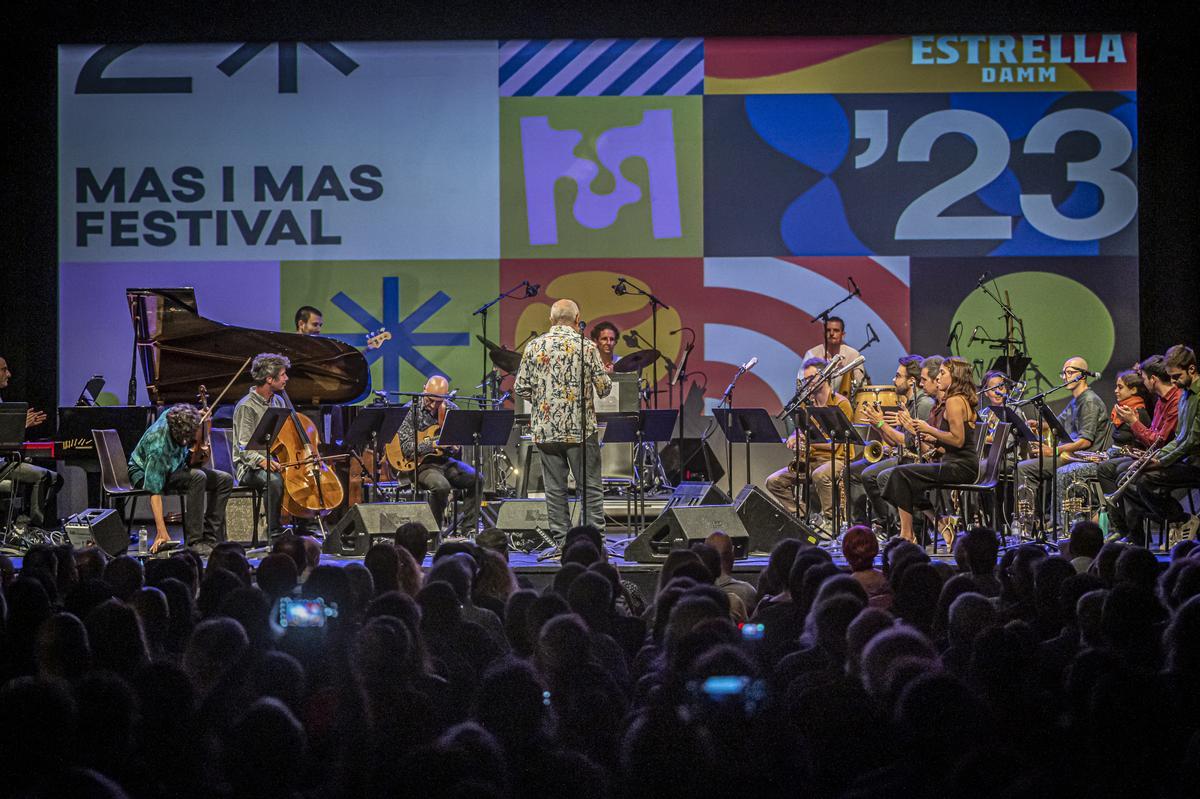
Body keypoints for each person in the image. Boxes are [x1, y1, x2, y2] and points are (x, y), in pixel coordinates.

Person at [513, 299, 612, 538]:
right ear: (577, 320)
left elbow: (520, 387)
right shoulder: (586, 346)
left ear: (551, 320)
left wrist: (544, 396)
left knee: (555, 490)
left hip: (546, 430)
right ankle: (592, 541)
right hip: (580, 430)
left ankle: (561, 542)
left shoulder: (534, 347)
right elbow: (604, 388)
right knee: (589, 487)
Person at [879, 356, 979, 546]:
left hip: (960, 467)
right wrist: (928, 437)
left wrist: (928, 428)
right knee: (902, 478)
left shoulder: (954, 401)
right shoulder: (959, 399)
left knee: (900, 475)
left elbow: (958, 441)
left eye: (943, 373)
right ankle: (939, 523)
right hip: (957, 463)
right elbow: (952, 440)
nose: (938, 377)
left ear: (955, 376)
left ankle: (908, 534)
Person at [1014, 356, 1112, 525]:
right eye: (1064, 373)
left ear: (1082, 375)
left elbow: (1085, 441)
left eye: (1070, 372)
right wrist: (1040, 425)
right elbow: (1058, 425)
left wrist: (1053, 451)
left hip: (1082, 456)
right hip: (1069, 455)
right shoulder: (1077, 400)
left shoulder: (1089, 401)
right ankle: (1041, 521)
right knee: (1028, 463)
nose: (1065, 377)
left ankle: (1029, 525)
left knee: (1024, 468)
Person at [1121, 345, 1200, 544]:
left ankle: (1180, 520)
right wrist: (1152, 458)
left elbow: (1192, 441)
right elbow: (1180, 438)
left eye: (1176, 376)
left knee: (1145, 481)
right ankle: (1177, 523)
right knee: (1131, 480)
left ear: (1191, 369)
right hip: (1187, 459)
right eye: (1170, 377)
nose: (1173, 382)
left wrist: (1160, 461)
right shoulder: (1185, 394)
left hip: (1197, 463)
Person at [127, 403, 233, 552]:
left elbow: (190, 415)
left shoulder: (175, 414)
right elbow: (154, 490)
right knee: (198, 477)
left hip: (174, 465)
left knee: (225, 479)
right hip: (144, 473)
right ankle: (194, 542)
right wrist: (161, 531)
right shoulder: (158, 446)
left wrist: (199, 415)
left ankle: (210, 537)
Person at [1055, 368, 1151, 527]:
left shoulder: (1138, 413)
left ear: (1133, 390)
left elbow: (1140, 445)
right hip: (1111, 457)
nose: (1116, 391)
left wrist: (1107, 456)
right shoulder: (1121, 411)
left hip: (1122, 461)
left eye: (1120, 387)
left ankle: (1073, 524)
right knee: (1064, 469)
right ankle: (1068, 523)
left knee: (1065, 472)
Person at [765, 357, 854, 525]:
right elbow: (802, 429)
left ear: (823, 376)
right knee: (773, 481)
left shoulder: (841, 404)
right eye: (805, 379)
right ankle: (805, 518)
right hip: (812, 460)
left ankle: (830, 521)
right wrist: (794, 436)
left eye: (810, 378)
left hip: (838, 460)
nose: (807, 383)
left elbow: (837, 444)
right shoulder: (807, 405)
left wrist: (807, 442)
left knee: (820, 475)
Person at [1099, 355, 1180, 539]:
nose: (1143, 382)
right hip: (1158, 454)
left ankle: (1174, 518)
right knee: (1112, 470)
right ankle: (1127, 530)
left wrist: (1133, 422)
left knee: (1125, 476)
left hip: (1171, 458)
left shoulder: (1174, 401)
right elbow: (1152, 436)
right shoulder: (1160, 401)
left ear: (1153, 379)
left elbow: (1158, 442)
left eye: (1143, 378)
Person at [848, 354, 932, 530]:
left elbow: (908, 442)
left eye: (898, 376)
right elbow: (894, 442)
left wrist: (881, 423)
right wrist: (877, 425)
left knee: (871, 475)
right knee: (855, 471)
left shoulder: (923, 404)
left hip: (916, 460)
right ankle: (866, 526)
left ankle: (891, 525)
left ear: (911, 381)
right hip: (904, 455)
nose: (894, 380)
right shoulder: (909, 403)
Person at [396, 375, 477, 532]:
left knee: (477, 478)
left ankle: (469, 528)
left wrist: (454, 446)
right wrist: (433, 443)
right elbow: (407, 449)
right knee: (441, 487)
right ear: (424, 389)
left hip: (445, 462)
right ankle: (434, 533)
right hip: (420, 465)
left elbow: (457, 444)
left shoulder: (452, 411)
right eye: (430, 400)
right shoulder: (409, 410)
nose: (433, 405)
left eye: (438, 402)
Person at [232, 353, 290, 540]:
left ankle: (307, 524)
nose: (286, 378)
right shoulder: (246, 407)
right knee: (273, 480)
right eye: (282, 375)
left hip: (270, 461)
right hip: (248, 468)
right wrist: (262, 461)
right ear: (269, 379)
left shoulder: (278, 401)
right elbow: (244, 449)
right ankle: (273, 530)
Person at [0, 355, 61, 528]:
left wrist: (20, 427)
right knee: (43, 476)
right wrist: (20, 426)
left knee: (55, 478)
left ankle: (25, 523)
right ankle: (32, 527)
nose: (9, 374)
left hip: (4, 461)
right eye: (4, 369)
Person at [803, 316, 865, 397]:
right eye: (828, 330)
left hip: (845, 405)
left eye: (836, 330)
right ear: (824, 334)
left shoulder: (853, 355)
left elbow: (860, 385)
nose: (831, 333)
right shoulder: (811, 354)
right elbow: (801, 386)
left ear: (843, 335)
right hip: (815, 405)